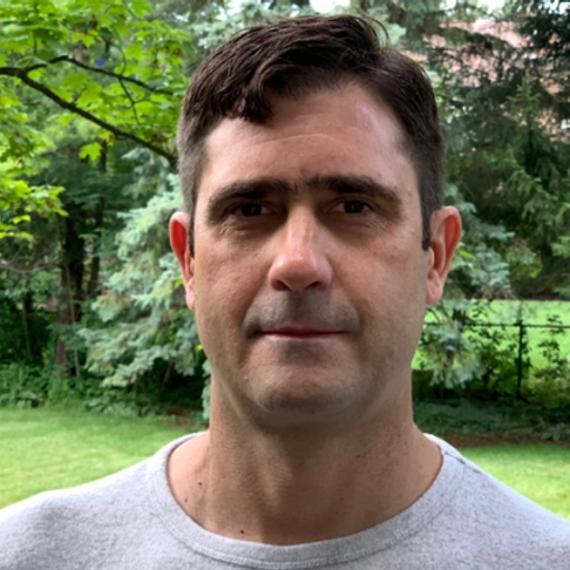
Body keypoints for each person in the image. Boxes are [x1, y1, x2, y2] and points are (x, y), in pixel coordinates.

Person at [1, 14, 568, 570]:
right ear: (188, 260)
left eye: (353, 207)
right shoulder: (29, 554)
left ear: (436, 257)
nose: (298, 263)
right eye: (250, 209)